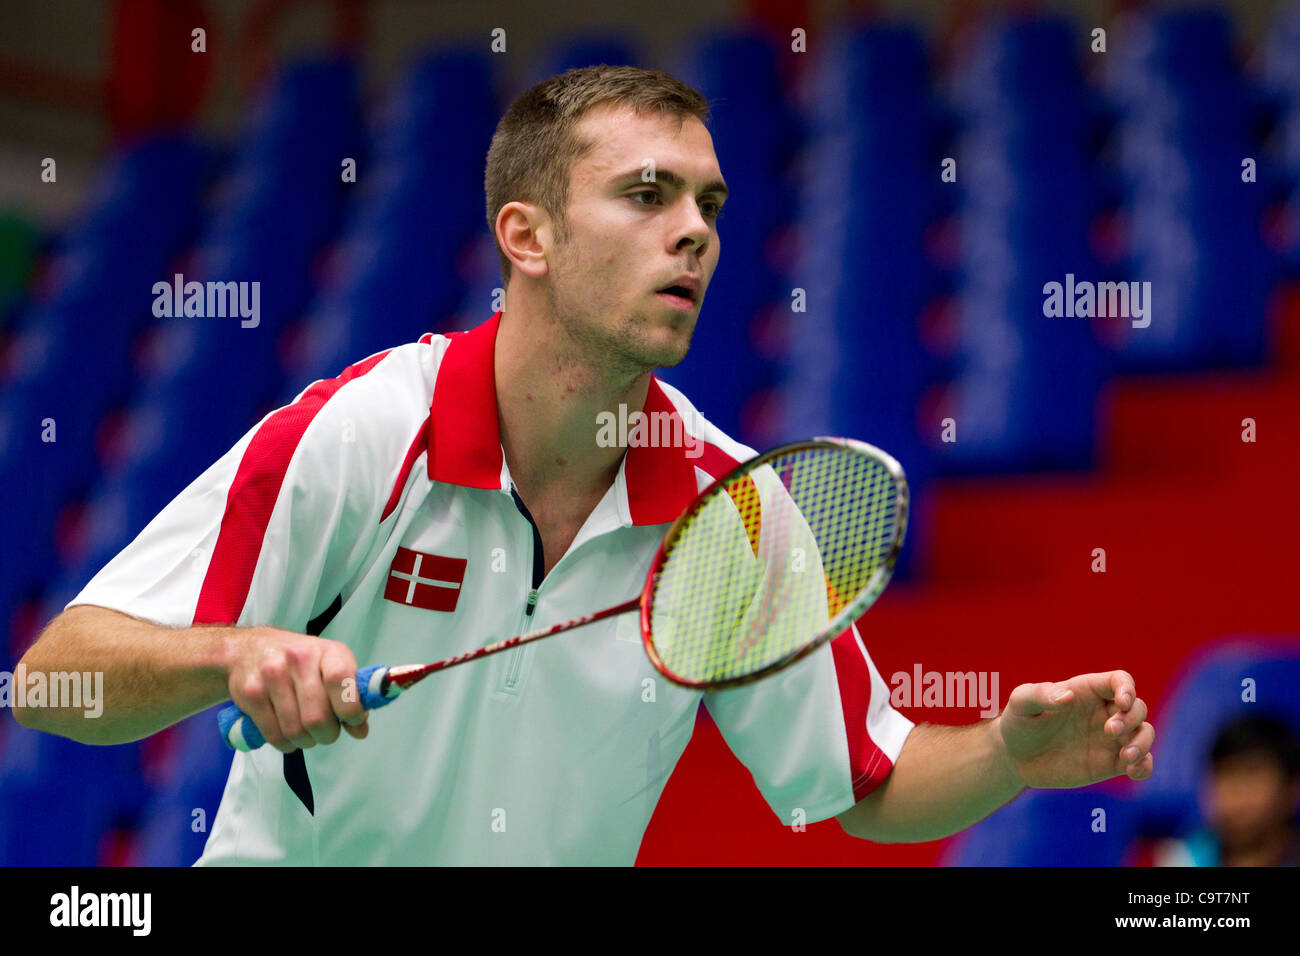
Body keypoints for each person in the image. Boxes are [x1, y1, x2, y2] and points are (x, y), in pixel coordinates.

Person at [13, 65, 1155, 864]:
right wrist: (234, 653)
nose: (696, 230)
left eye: (709, 203)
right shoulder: (367, 432)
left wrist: (1007, 751)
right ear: (528, 236)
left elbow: (866, 782)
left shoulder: (732, 510)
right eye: (648, 195)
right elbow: (60, 678)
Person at [1155, 713, 1300, 866]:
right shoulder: (1184, 858)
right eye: (1225, 774)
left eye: (1251, 774)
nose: (1236, 792)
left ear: (1292, 787)